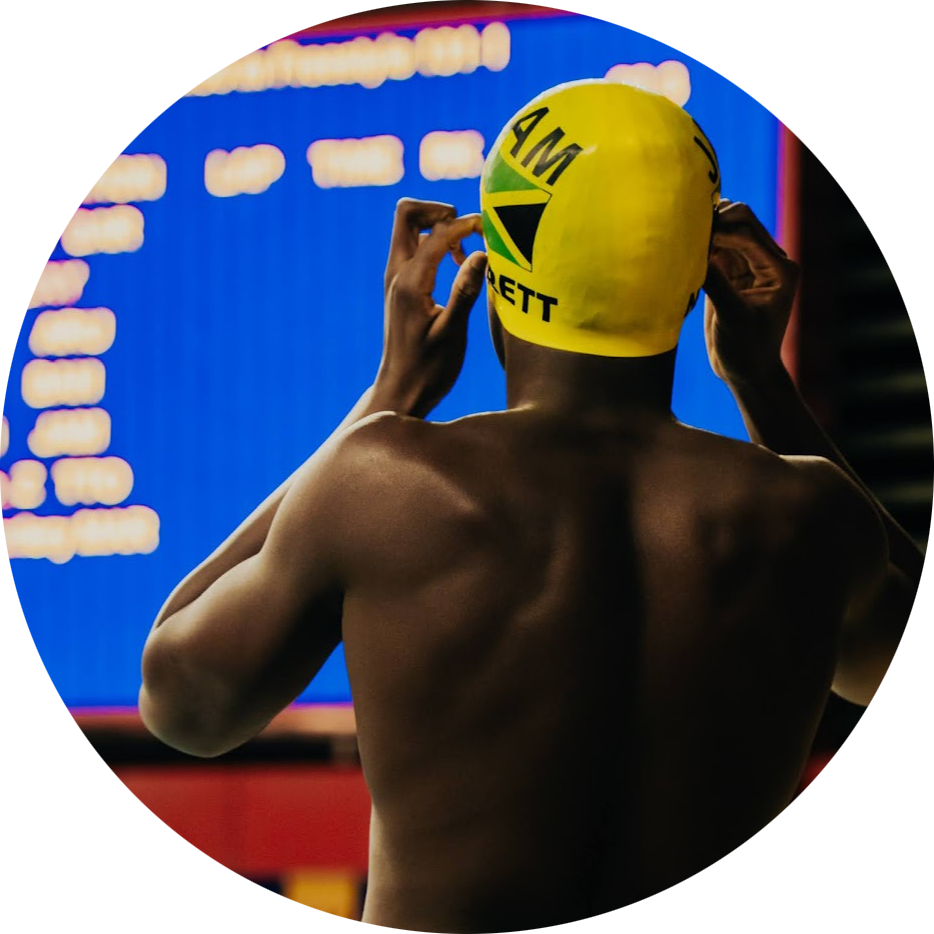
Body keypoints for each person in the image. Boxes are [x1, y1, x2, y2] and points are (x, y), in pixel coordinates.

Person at [138, 81, 922, 932]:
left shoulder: (383, 484)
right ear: (703, 277)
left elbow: (185, 705)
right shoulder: (806, 515)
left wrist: (387, 395)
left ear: (501, 274)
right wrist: (763, 379)